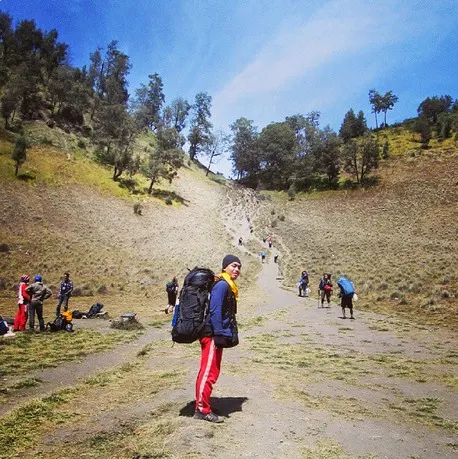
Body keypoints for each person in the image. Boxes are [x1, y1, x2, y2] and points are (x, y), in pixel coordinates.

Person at [194, 254, 241, 424]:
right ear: (225, 267)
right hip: (212, 334)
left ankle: (204, 405)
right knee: (208, 372)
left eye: (239, 267)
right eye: (233, 266)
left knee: (211, 371)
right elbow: (215, 310)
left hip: (214, 334)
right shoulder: (222, 285)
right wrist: (219, 334)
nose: (237, 269)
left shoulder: (226, 284)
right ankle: (201, 409)